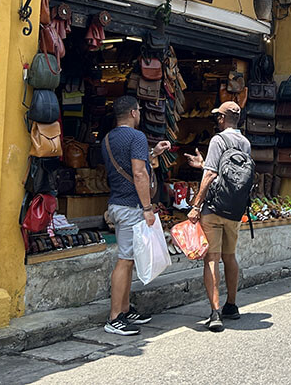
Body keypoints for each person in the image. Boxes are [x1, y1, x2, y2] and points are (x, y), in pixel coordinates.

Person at [102, 96, 170, 336]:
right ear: (133, 113)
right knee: (124, 260)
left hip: (117, 204)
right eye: (139, 110)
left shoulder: (108, 139)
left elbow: (127, 163)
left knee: (128, 259)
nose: (140, 114)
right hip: (132, 207)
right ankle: (114, 318)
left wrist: (153, 152)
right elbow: (139, 173)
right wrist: (148, 208)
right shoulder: (136, 136)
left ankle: (125, 309)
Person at [184, 101, 253, 332]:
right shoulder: (245, 143)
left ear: (223, 119)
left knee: (212, 258)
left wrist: (196, 205)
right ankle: (231, 305)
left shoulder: (218, 140)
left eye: (218, 117)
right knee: (230, 256)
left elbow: (212, 174)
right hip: (234, 210)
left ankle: (215, 313)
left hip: (213, 209)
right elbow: (233, 174)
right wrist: (202, 164)